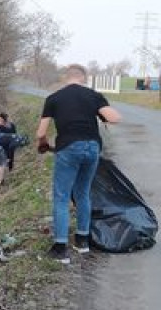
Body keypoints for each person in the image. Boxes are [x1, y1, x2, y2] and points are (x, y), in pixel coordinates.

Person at [36, 64, 122, 263]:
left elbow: (41, 133)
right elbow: (115, 118)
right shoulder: (93, 95)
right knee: (83, 194)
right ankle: (82, 241)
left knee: (61, 197)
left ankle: (60, 249)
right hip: (92, 148)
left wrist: (44, 144)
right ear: (83, 78)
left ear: (67, 77)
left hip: (68, 148)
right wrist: (100, 114)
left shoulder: (54, 98)